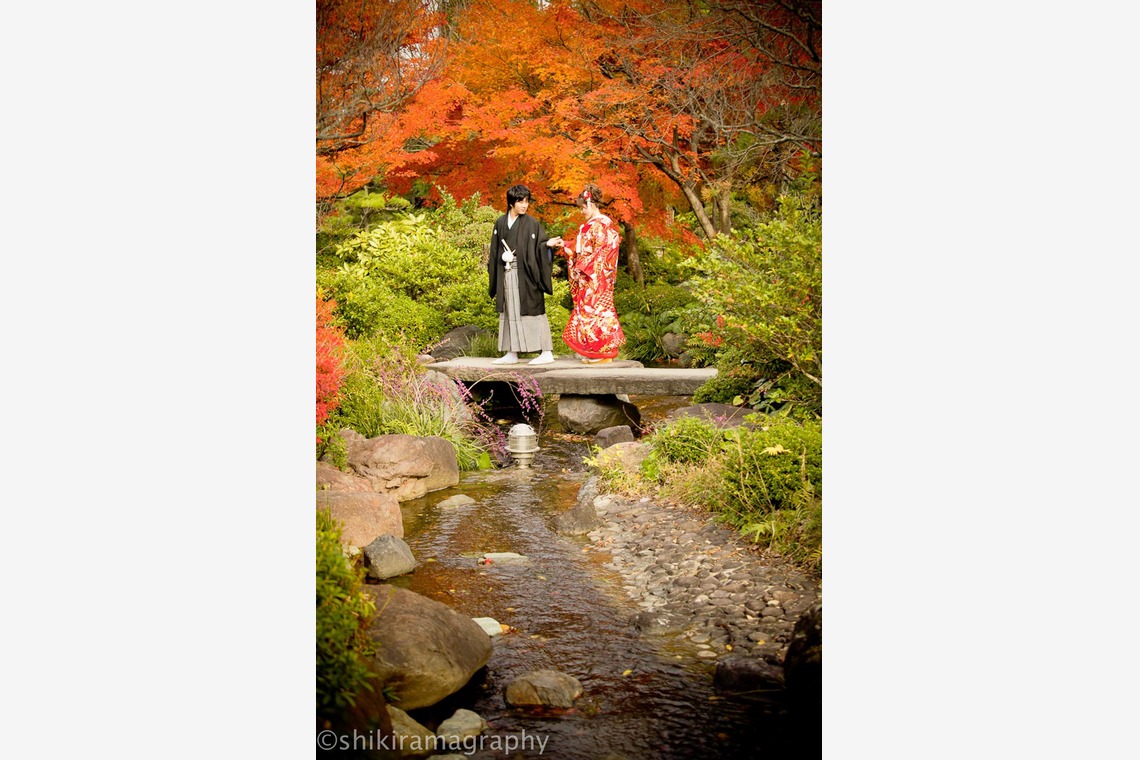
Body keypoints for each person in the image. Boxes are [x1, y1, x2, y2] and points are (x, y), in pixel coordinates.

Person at [487, 185, 564, 365]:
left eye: (527, 201)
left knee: (532, 309)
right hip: (506, 271)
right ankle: (512, 352)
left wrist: (547, 245)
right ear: (511, 203)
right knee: (510, 310)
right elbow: (494, 250)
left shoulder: (532, 223)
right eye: (520, 201)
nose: (524, 205)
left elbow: (540, 244)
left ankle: (546, 351)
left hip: (527, 274)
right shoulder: (500, 223)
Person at [556, 184, 625, 364]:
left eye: (583, 207)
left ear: (591, 204)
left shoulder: (600, 226)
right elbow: (583, 250)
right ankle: (594, 351)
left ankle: (602, 353)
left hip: (596, 277)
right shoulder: (593, 226)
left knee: (596, 312)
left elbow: (600, 253)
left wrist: (583, 266)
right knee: (589, 311)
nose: (582, 211)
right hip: (593, 276)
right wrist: (565, 245)